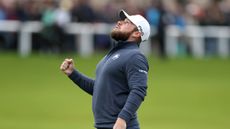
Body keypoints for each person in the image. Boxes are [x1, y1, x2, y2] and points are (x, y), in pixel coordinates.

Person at [60, 10, 150, 129]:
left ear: (137, 33)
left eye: (127, 22)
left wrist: (122, 119)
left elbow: (139, 90)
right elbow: (100, 88)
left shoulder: (135, 56)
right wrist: (73, 74)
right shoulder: (113, 55)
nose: (119, 22)